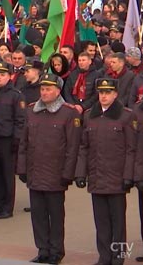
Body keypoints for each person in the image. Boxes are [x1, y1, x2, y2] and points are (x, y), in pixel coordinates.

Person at [18, 73, 82, 264]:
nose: (44, 92)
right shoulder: (31, 111)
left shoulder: (69, 113)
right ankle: (42, 249)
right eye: (42, 89)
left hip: (56, 173)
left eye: (48, 89)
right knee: (38, 215)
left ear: (57, 91)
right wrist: (22, 168)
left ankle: (56, 251)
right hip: (35, 172)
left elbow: (73, 147)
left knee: (55, 215)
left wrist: (68, 173)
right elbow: (24, 143)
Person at [75, 78, 137, 265]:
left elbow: (131, 149)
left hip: (117, 177)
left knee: (118, 222)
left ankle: (118, 258)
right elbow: (84, 147)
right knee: (101, 221)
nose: (103, 96)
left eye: (108, 92)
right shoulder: (89, 116)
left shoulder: (126, 116)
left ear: (116, 94)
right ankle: (104, 257)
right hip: (97, 176)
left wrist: (128, 176)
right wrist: (80, 173)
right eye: (101, 92)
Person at [0, 61, 26, 220]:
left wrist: (16, 139)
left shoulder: (15, 95)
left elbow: (20, 119)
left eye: (2, 75)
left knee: (6, 175)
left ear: (10, 76)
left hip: (7, 139)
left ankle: (7, 207)